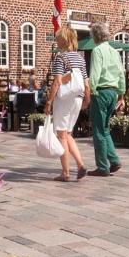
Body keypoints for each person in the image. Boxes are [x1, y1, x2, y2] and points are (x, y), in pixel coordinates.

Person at [44, 27, 89, 181]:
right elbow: (86, 83)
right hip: (77, 97)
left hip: (64, 99)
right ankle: (81, 164)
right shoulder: (81, 58)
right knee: (68, 133)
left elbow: (57, 82)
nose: (56, 41)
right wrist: (86, 99)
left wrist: (49, 102)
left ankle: (65, 172)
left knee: (61, 135)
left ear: (63, 40)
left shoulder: (60, 58)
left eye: (58, 38)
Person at [86, 21, 125, 177]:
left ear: (94, 36)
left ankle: (103, 166)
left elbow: (94, 74)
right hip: (113, 93)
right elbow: (121, 74)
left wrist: (90, 93)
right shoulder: (114, 51)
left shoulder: (97, 51)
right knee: (105, 129)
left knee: (98, 131)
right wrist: (121, 94)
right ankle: (114, 160)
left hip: (100, 92)